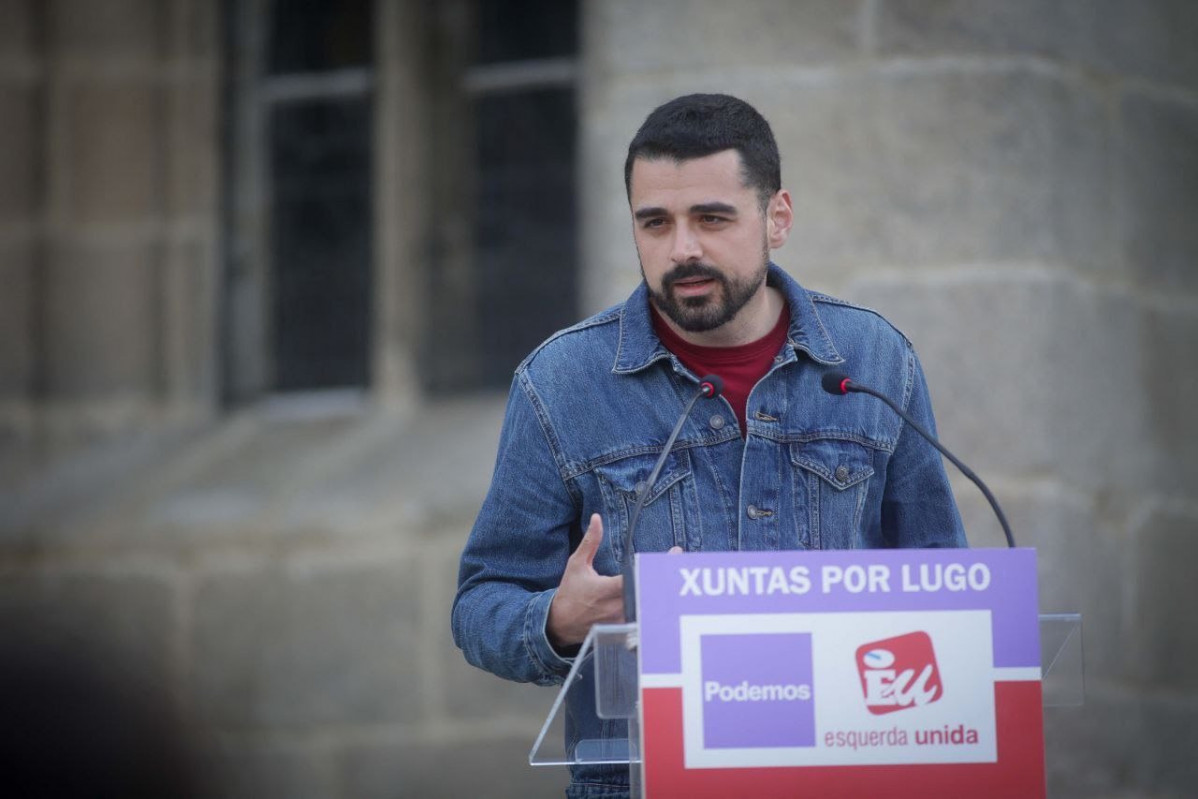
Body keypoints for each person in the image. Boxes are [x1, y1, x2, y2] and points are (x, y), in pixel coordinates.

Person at [452, 93, 966, 799]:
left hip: (846, 773)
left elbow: (945, 582)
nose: (682, 248)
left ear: (776, 217)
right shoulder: (561, 383)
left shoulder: (875, 362)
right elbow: (481, 602)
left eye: (712, 218)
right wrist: (557, 620)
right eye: (654, 222)